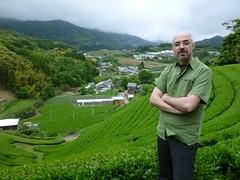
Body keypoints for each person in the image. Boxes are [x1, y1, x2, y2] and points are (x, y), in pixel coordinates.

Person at [150, 32, 212, 180]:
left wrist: (164, 96)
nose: (181, 47)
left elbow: (189, 105)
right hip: (163, 133)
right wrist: (179, 108)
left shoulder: (203, 71)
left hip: (184, 137)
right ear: (173, 49)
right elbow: (153, 98)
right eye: (177, 44)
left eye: (185, 43)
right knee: (164, 176)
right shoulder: (168, 70)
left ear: (193, 46)